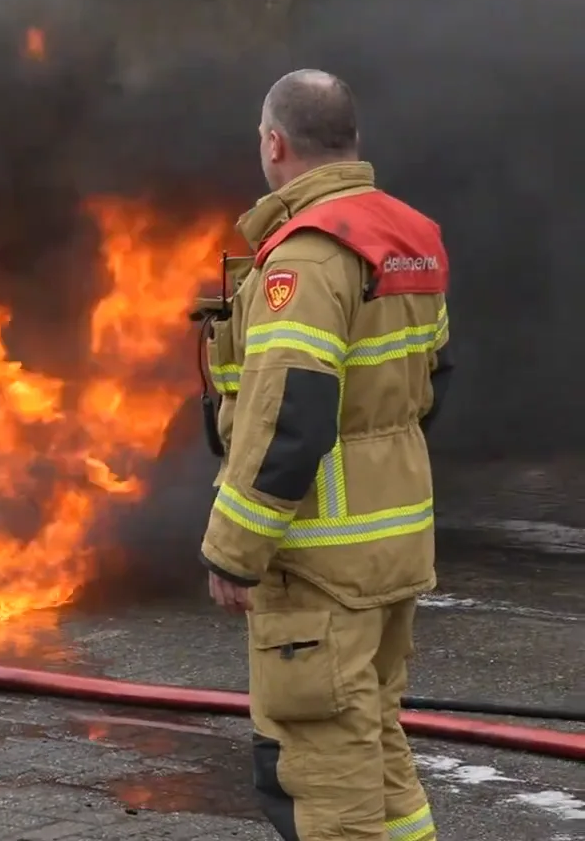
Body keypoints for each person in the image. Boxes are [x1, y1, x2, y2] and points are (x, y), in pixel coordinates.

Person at [199, 70, 451, 841]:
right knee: (371, 740)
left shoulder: (305, 258)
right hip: (390, 544)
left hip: (320, 563)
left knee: (317, 775)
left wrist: (234, 552)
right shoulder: (409, 237)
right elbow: (434, 383)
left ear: (275, 143)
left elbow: (289, 419)